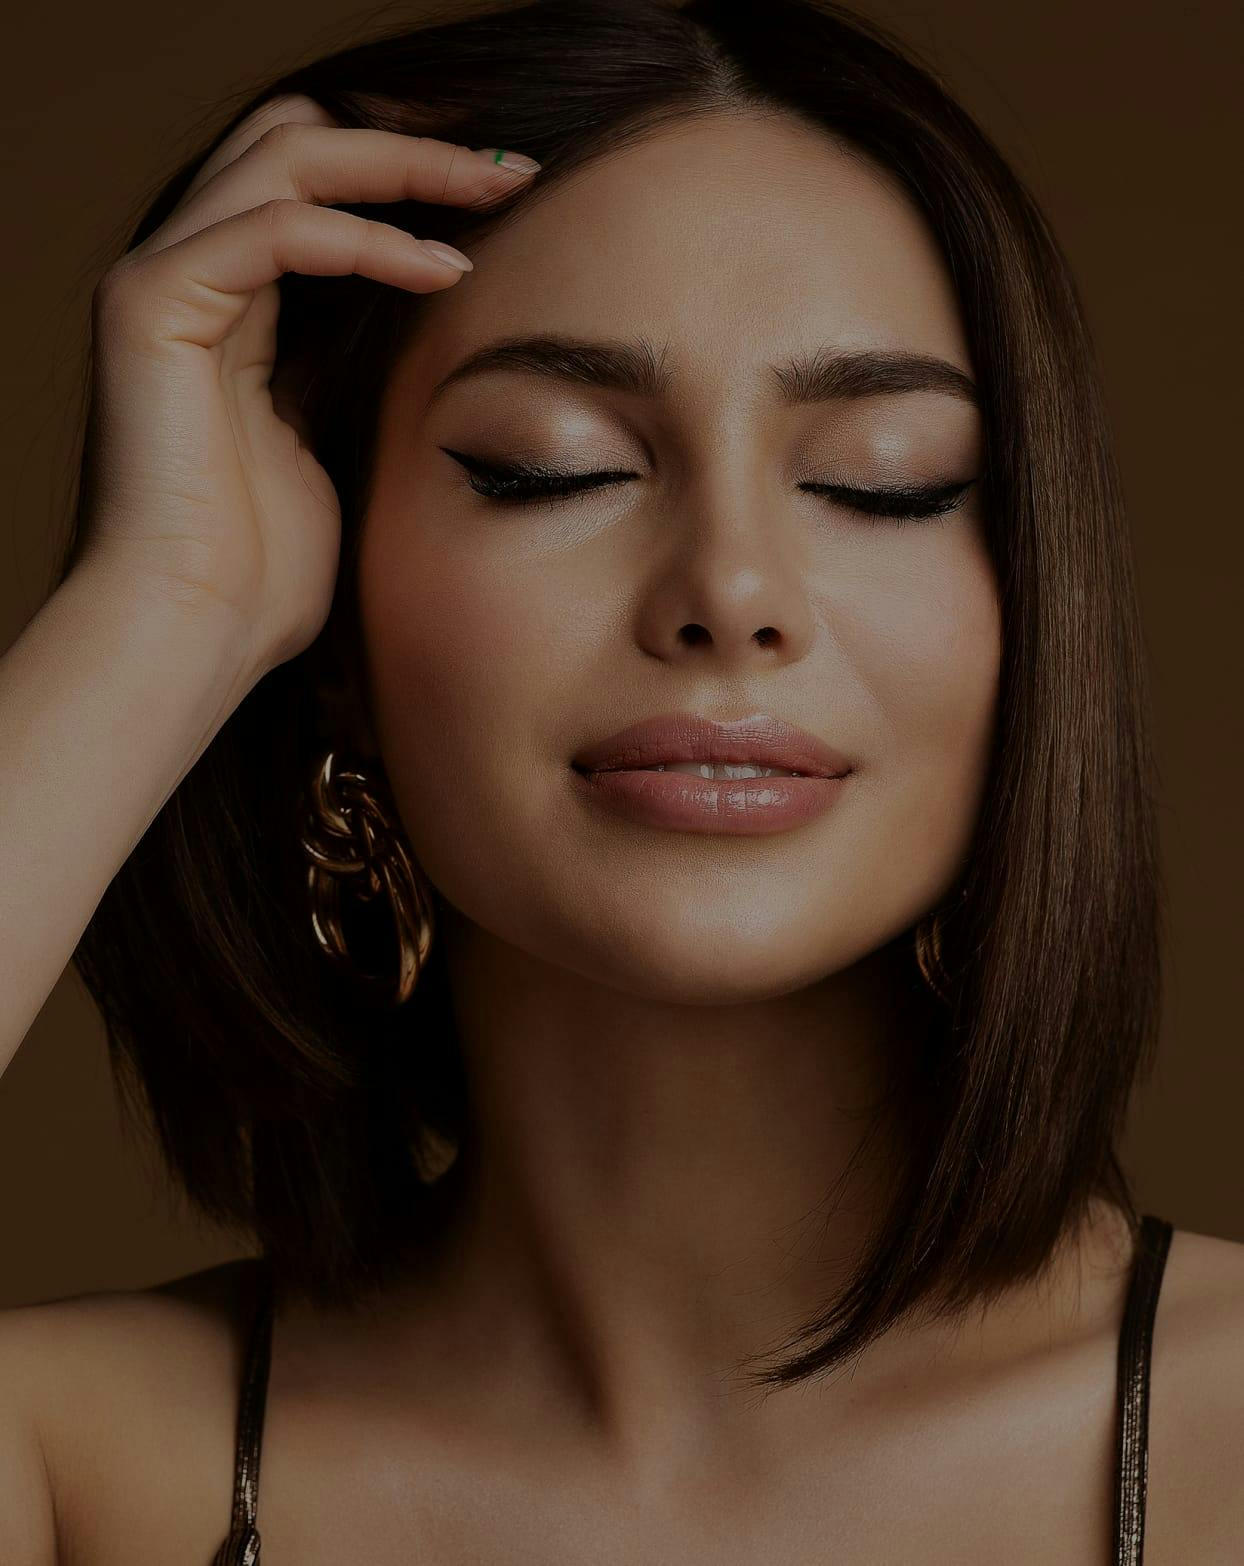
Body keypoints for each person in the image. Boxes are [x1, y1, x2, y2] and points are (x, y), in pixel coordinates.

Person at [1, 0, 1240, 1560]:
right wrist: (165, 608)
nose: (732, 587)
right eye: (554, 466)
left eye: (885, 481)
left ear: (1036, 610)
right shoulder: (74, 1458)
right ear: (336, 637)